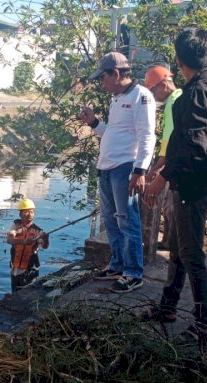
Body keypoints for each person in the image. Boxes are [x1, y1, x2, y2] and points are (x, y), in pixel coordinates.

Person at [142, 27, 207, 339]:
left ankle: (203, 323)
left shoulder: (196, 92)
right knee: (179, 250)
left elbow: (194, 145)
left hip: (192, 185)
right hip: (204, 182)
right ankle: (168, 306)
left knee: (191, 254)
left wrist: (160, 179)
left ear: (180, 59)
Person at [78, 51, 156, 293]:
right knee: (112, 221)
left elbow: (147, 136)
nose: (102, 83)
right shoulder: (117, 98)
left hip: (124, 169)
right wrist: (93, 123)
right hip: (107, 168)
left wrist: (140, 171)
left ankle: (134, 273)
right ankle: (117, 265)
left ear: (115, 73)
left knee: (127, 221)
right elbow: (113, 133)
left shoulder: (141, 96)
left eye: (103, 78)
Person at [143, 66, 183, 250]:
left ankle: (170, 241)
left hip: (174, 163)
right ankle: (168, 240)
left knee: (169, 205)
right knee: (171, 204)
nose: (152, 94)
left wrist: (156, 168)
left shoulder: (173, 103)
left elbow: (168, 141)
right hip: (181, 161)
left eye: (153, 90)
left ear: (164, 84)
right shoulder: (181, 96)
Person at [7, 198, 49, 292]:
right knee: (15, 292)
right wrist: (23, 242)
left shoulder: (38, 231)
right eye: (26, 212)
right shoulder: (16, 224)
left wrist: (46, 239)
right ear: (20, 214)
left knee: (29, 293)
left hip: (31, 268)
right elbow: (9, 240)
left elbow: (45, 246)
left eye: (32, 212)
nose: (30, 214)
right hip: (16, 267)